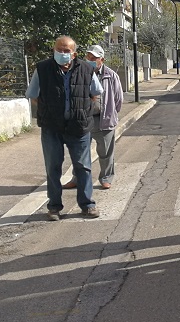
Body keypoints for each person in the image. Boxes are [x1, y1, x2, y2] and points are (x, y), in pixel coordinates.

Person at [26, 35, 103, 220]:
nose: (62, 53)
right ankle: (54, 207)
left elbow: (95, 94)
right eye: (58, 50)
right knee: (53, 167)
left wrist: (81, 110)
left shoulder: (86, 69)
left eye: (66, 51)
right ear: (54, 50)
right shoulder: (43, 69)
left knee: (83, 167)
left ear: (74, 53)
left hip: (79, 126)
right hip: (52, 127)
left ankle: (87, 205)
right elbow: (33, 95)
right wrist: (49, 109)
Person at [63, 45, 123, 190]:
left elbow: (118, 99)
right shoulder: (79, 72)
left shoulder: (111, 75)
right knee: (80, 151)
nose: (90, 59)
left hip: (103, 119)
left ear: (102, 59)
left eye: (94, 57)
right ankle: (77, 179)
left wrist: (110, 113)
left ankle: (106, 178)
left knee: (105, 152)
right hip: (83, 118)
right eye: (88, 56)